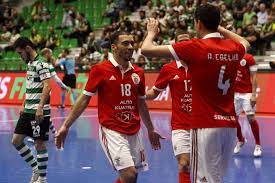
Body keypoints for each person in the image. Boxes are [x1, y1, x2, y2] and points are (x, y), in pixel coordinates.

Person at [141, 4, 250, 183]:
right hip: (229, 127)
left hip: (206, 125)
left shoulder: (195, 47)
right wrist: (220, 27)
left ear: (198, 24)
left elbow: (146, 49)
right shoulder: (233, 48)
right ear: (218, 23)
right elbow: (245, 43)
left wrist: (151, 33)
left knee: (204, 179)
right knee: (215, 178)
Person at [55, 31, 164, 183]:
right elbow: (84, 99)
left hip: (134, 130)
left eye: (132, 43)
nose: (131, 47)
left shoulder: (138, 72)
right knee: (129, 174)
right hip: (112, 130)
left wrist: (151, 129)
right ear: (114, 47)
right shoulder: (100, 70)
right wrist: (65, 125)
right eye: (125, 43)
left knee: (131, 177)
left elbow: (141, 103)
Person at [146, 33, 192, 183]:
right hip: (180, 125)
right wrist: (137, 94)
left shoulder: (202, 65)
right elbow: (153, 93)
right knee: (184, 164)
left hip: (203, 124)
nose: (184, 45)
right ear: (175, 47)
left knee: (203, 169)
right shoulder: (168, 69)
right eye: (181, 42)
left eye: (187, 42)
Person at [11, 37, 52, 183]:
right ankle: (36, 168)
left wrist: (40, 107)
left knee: (39, 143)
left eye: (20, 53)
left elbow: (47, 86)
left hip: (38, 111)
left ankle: (42, 178)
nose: (20, 56)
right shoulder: (30, 64)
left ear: (28, 48)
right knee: (16, 141)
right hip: (28, 110)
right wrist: (24, 103)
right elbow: (31, 87)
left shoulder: (41, 64)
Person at [233, 53, 262, 157]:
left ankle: (258, 145)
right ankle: (241, 140)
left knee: (251, 119)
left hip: (247, 93)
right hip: (234, 93)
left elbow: (254, 77)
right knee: (232, 120)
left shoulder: (248, 58)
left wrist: (254, 95)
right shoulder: (228, 56)